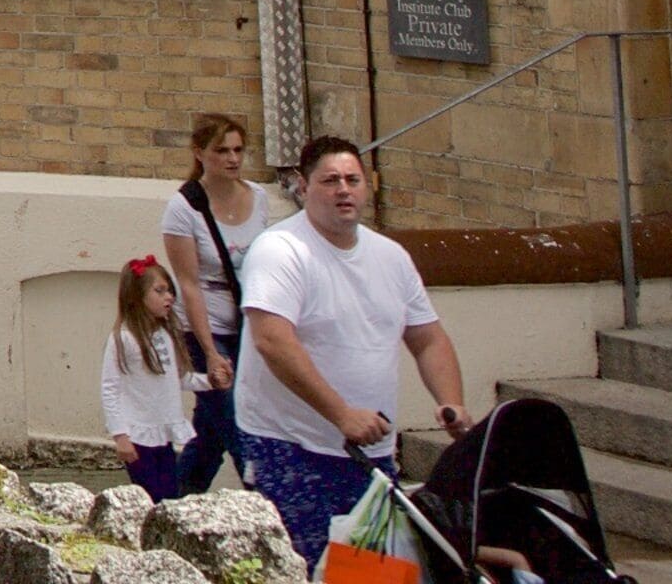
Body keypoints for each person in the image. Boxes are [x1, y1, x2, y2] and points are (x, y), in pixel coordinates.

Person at [236, 136, 469, 570]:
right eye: (329, 181)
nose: (344, 189)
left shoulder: (391, 257)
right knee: (309, 568)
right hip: (291, 447)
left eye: (352, 180)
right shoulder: (280, 250)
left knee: (368, 572)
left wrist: (449, 401)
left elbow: (427, 338)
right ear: (303, 187)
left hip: (372, 453)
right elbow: (272, 340)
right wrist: (341, 413)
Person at [158, 111, 285, 494]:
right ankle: (270, 505)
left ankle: (173, 504)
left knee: (210, 436)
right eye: (221, 151)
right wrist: (210, 353)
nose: (232, 159)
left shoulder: (258, 198)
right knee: (237, 424)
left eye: (238, 150)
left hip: (248, 323)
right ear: (200, 153)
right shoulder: (185, 208)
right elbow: (189, 284)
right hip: (204, 329)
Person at [103, 257, 199, 507]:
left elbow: (177, 379)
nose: (169, 297)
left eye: (170, 291)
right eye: (160, 291)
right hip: (138, 436)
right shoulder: (123, 339)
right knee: (151, 499)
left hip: (162, 434)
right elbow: (110, 388)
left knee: (169, 498)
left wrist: (211, 381)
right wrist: (120, 435)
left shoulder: (166, 335)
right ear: (136, 296)